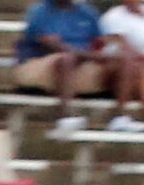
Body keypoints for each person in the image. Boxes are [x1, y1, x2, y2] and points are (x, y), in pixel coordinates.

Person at [15, 0, 124, 132]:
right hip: (43, 59)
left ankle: (120, 118)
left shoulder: (87, 12)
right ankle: (64, 116)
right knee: (68, 58)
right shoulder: (39, 11)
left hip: (83, 61)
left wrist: (106, 52)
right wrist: (83, 54)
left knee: (123, 62)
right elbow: (50, 44)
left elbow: (99, 42)